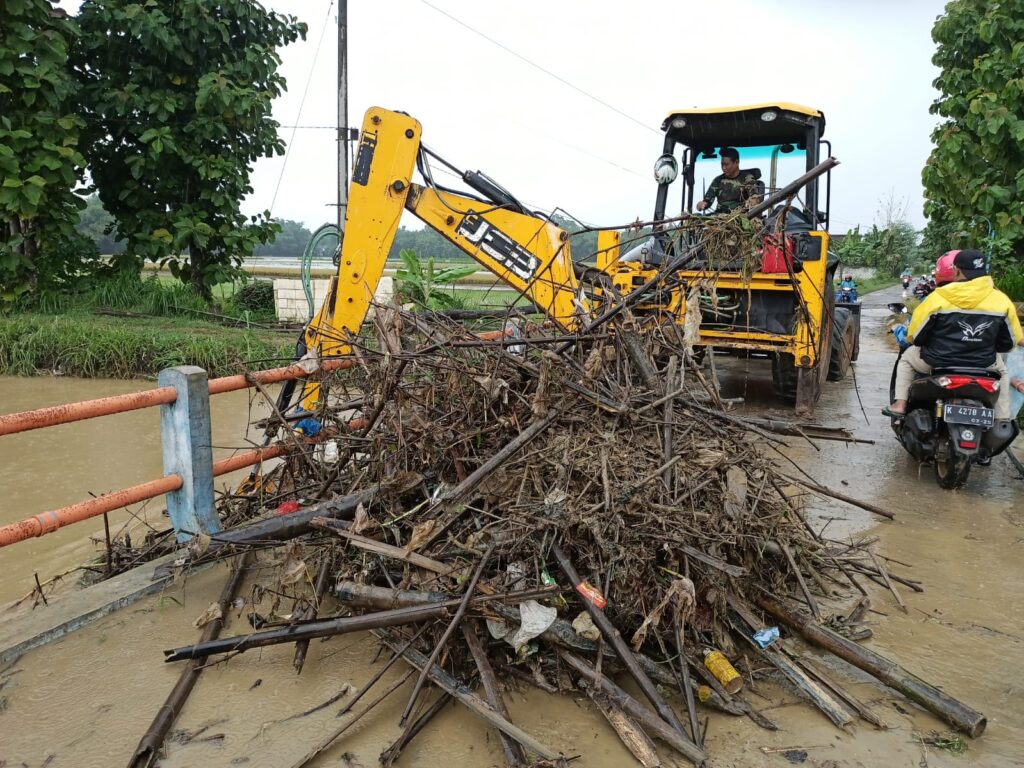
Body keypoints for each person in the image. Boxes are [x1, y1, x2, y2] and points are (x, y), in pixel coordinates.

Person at [885, 249, 1024, 419]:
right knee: (1002, 372)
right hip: (984, 365)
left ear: (956, 271)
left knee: (906, 358)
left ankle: (900, 404)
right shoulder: (1002, 301)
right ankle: (1002, 418)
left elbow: (915, 337)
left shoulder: (937, 298)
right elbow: (1009, 343)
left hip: (938, 363)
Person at [696, 147, 762, 213]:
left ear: (737, 162)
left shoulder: (747, 178)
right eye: (722, 164)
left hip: (739, 216)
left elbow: (754, 196)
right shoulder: (718, 180)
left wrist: (753, 201)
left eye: (727, 164)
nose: (723, 168)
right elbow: (708, 200)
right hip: (720, 217)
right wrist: (702, 204)